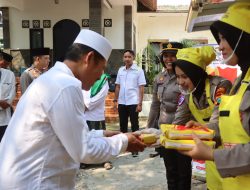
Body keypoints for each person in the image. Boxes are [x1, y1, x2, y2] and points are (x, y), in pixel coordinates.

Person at [0, 29, 146, 189]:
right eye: (100, 68)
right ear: (89, 59)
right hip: (35, 183)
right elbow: (85, 150)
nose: (99, 76)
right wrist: (125, 141)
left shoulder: (53, 79)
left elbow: (63, 134)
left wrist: (101, 134)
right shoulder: (66, 85)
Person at [180, 2, 250, 190]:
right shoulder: (240, 80)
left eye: (224, 39)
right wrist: (205, 129)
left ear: (241, 39)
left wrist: (212, 155)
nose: (220, 47)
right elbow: (231, 128)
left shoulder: (224, 84)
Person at [172, 46, 232, 190]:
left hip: (229, 154)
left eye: (184, 76)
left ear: (196, 73)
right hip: (210, 154)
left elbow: (218, 125)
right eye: (178, 77)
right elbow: (178, 121)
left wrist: (196, 130)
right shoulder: (188, 93)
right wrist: (160, 135)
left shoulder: (220, 87)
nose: (180, 82)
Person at [146, 42, 183, 158]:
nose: (169, 59)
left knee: (182, 167)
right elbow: (155, 105)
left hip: (181, 130)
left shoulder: (185, 77)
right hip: (164, 128)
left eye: (173, 55)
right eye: (166, 56)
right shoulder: (159, 78)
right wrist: (150, 128)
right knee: (169, 166)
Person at [114, 50, 146, 157]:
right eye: (125, 57)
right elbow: (118, 86)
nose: (127, 59)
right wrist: (115, 100)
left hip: (133, 102)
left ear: (133, 58)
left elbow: (141, 88)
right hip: (122, 102)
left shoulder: (138, 71)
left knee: (134, 126)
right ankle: (123, 147)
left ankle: (135, 148)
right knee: (122, 126)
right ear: (123, 58)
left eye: (129, 57)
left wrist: (140, 103)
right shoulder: (120, 70)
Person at [82, 73, 113, 170]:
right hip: (84, 114)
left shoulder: (103, 80)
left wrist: (87, 105)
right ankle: (86, 160)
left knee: (101, 139)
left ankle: (104, 160)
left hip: (96, 113)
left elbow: (101, 96)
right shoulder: (83, 76)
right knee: (86, 138)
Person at [0, 51, 16, 142]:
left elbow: (11, 96)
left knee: (4, 146)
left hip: (5, 121)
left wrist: (6, 103)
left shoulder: (9, 74)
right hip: (4, 109)